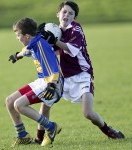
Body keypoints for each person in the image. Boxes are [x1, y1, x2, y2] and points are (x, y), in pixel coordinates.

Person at [33, 0, 125, 144]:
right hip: (64, 77)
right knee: (46, 102)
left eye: (71, 13)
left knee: (88, 113)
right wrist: (40, 40)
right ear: (58, 14)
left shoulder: (76, 29)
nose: (67, 15)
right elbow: (54, 52)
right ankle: (39, 138)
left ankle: (109, 130)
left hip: (82, 76)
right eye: (64, 12)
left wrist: (54, 41)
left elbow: (72, 49)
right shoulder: (55, 30)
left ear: (74, 17)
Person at [5, 17, 64, 147]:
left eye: (18, 35)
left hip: (52, 84)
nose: (17, 37)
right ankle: (23, 136)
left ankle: (51, 126)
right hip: (42, 81)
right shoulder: (32, 42)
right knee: (9, 101)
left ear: (26, 36)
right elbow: (26, 51)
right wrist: (17, 56)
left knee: (19, 105)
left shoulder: (41, 45)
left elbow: (54, 68)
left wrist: (52, 85)